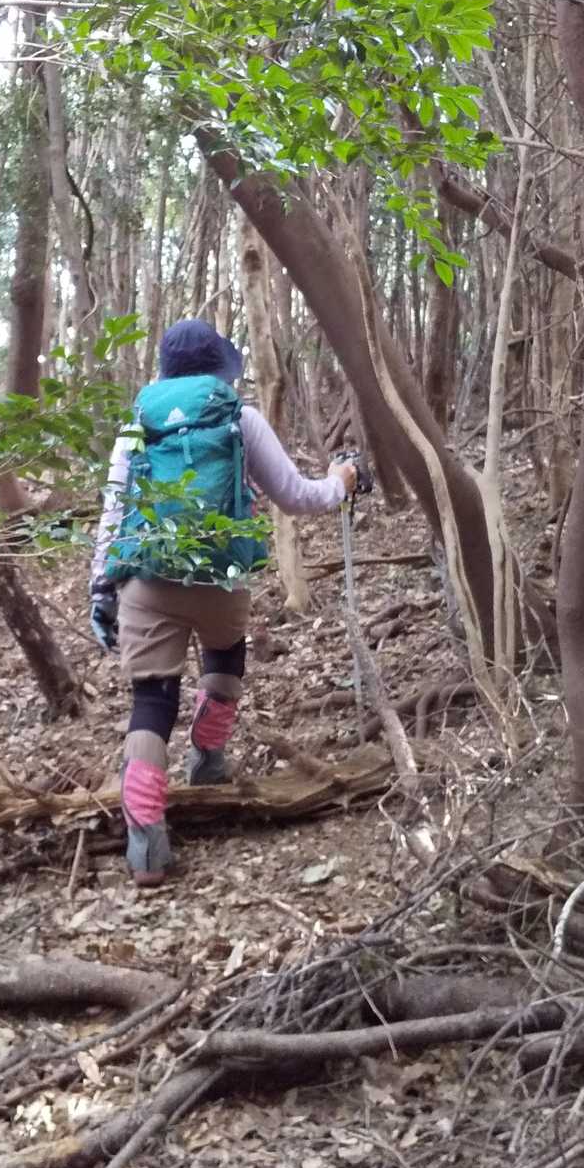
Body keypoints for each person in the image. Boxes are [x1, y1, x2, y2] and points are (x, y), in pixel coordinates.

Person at [90, 319, 358, 887]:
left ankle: (146, 847)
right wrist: (342, 480)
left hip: (146, 577)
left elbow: (113, 512)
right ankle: (208, 762)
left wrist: (100, 586)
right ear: (218, 366)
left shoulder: (136, 424)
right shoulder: (239, 417)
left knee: (151, 700)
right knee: (225, 658)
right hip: (221, 576)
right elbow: (297, 496)